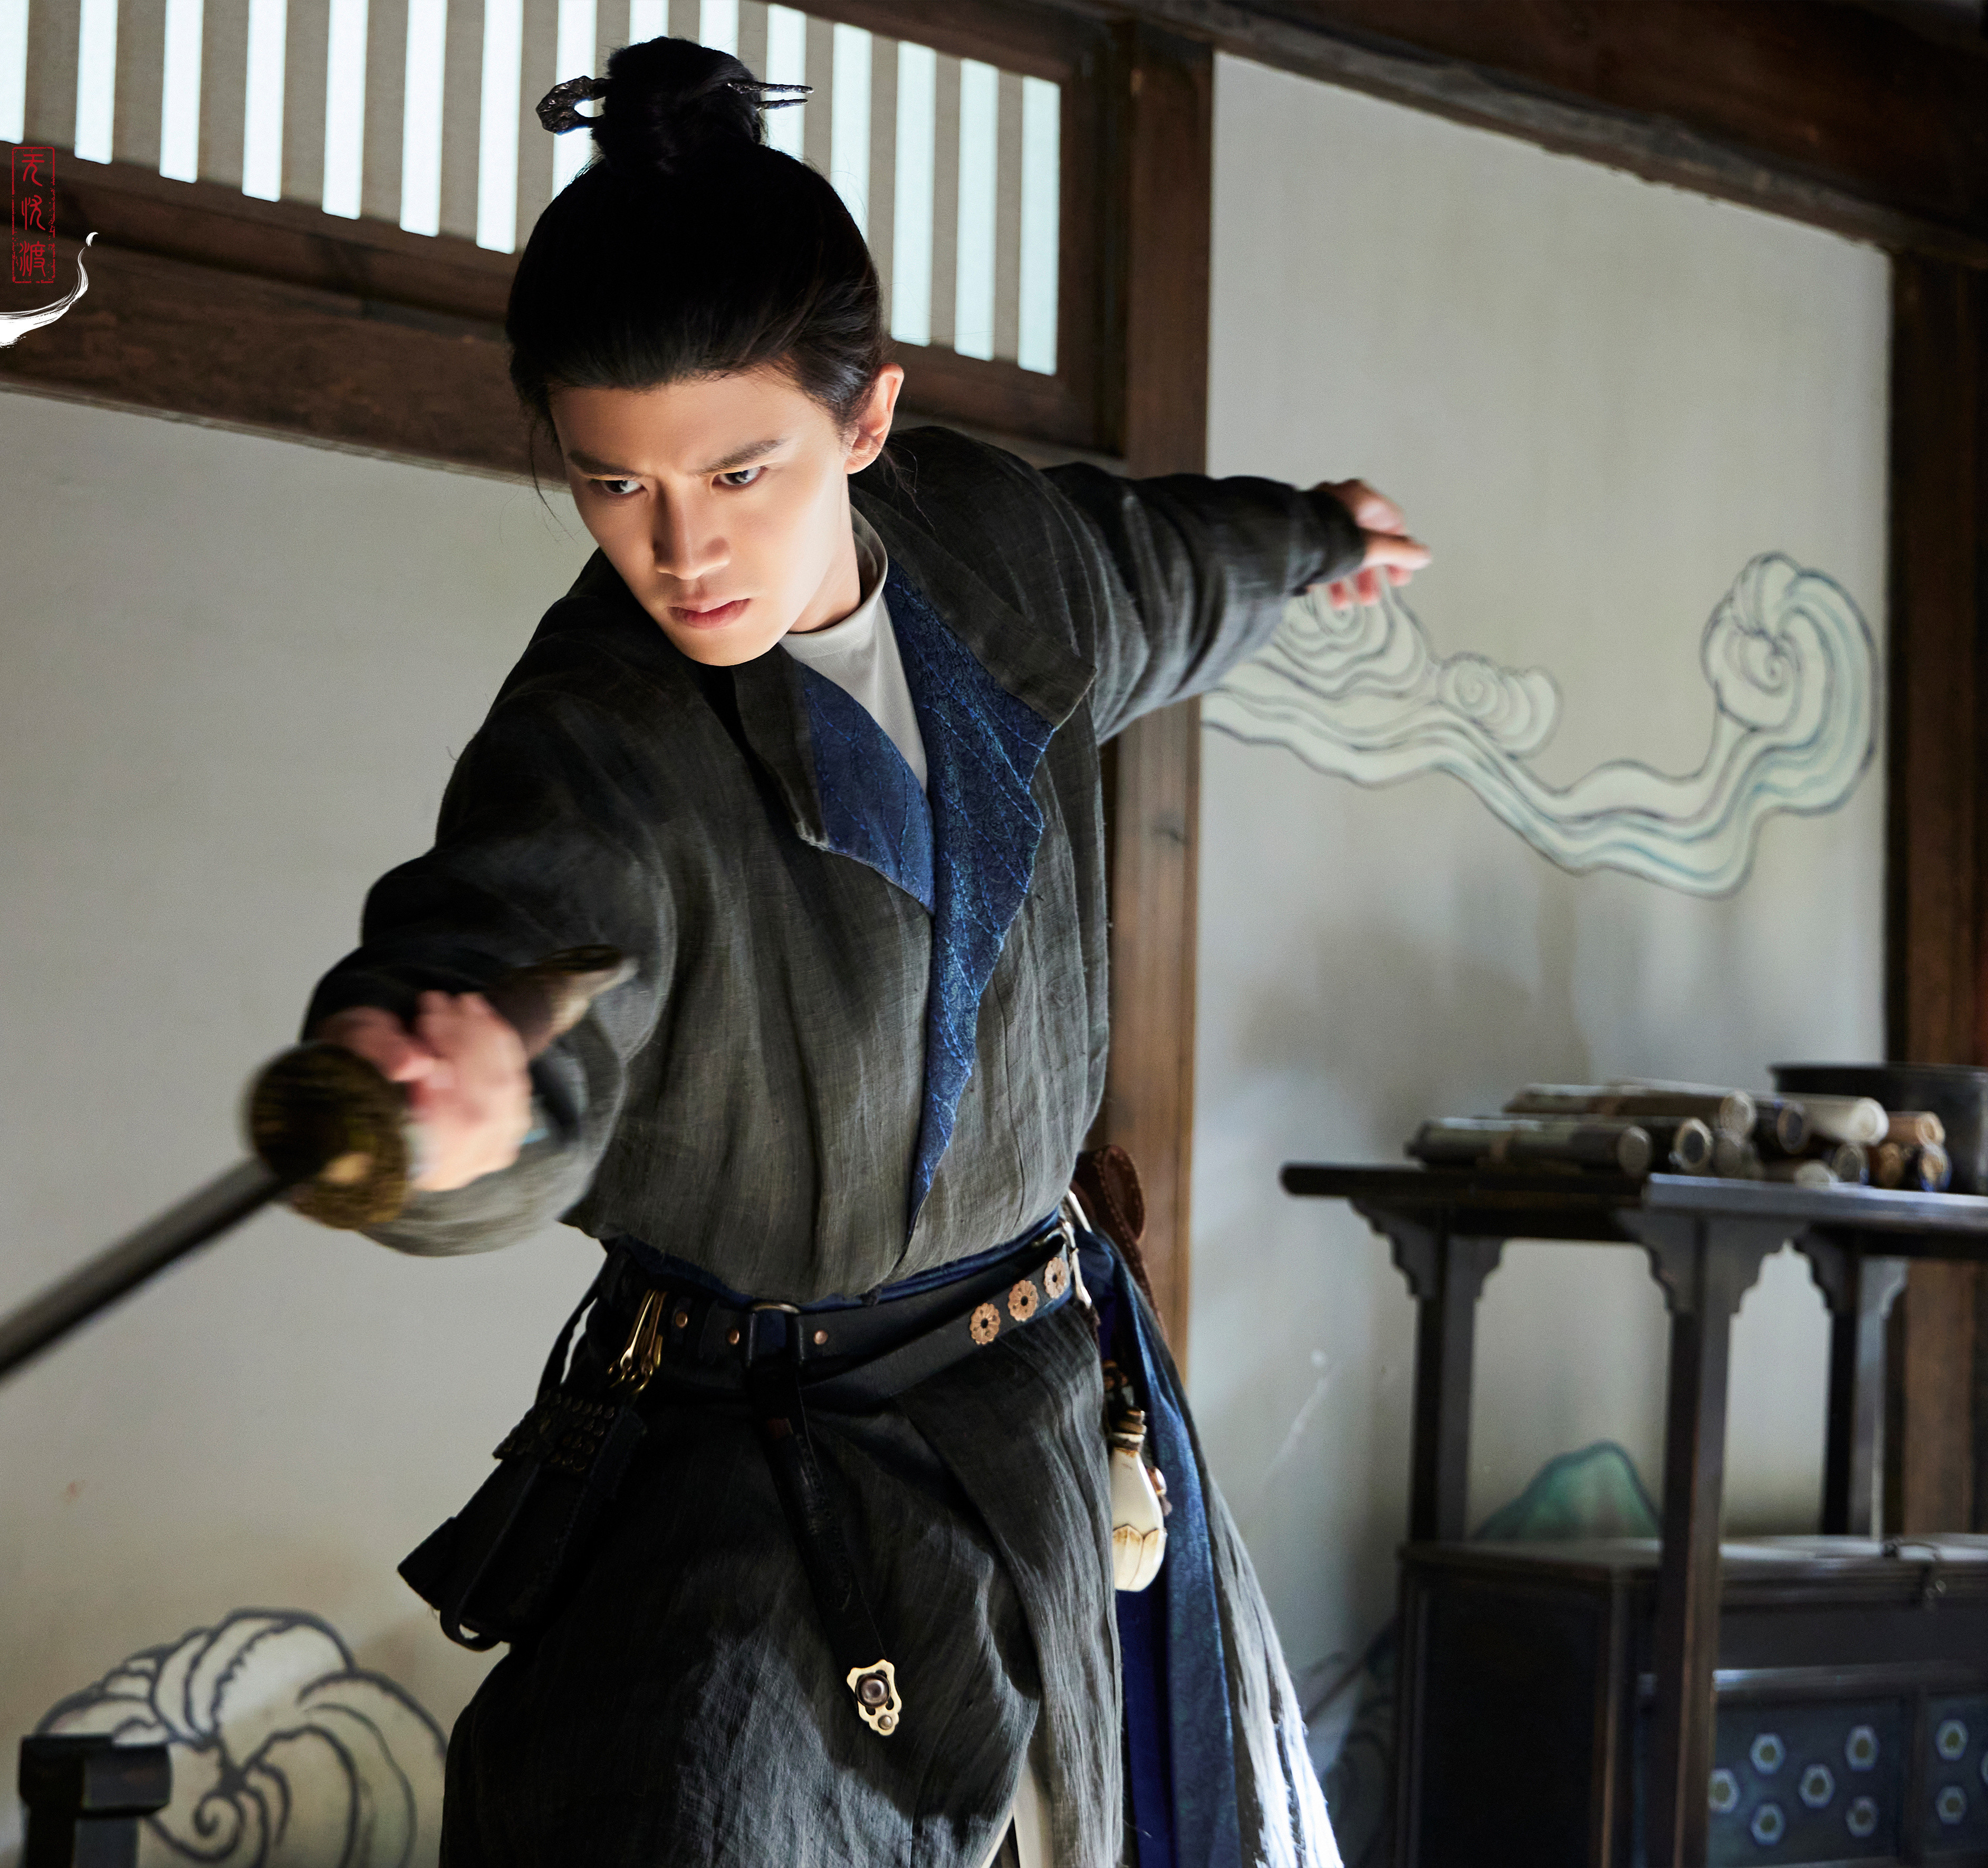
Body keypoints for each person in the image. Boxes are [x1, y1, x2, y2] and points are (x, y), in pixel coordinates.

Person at [301, 36, 1428, 1868]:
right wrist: (451, 1102)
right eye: (612, 486)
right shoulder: (597, 733)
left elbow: (1155, 571)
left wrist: (1311, 542)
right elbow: (504, 937)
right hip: (753, 1475)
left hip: (1042, 1406)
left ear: (869, 418)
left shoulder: (991, 551)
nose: (683, 548)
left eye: (741, 469)